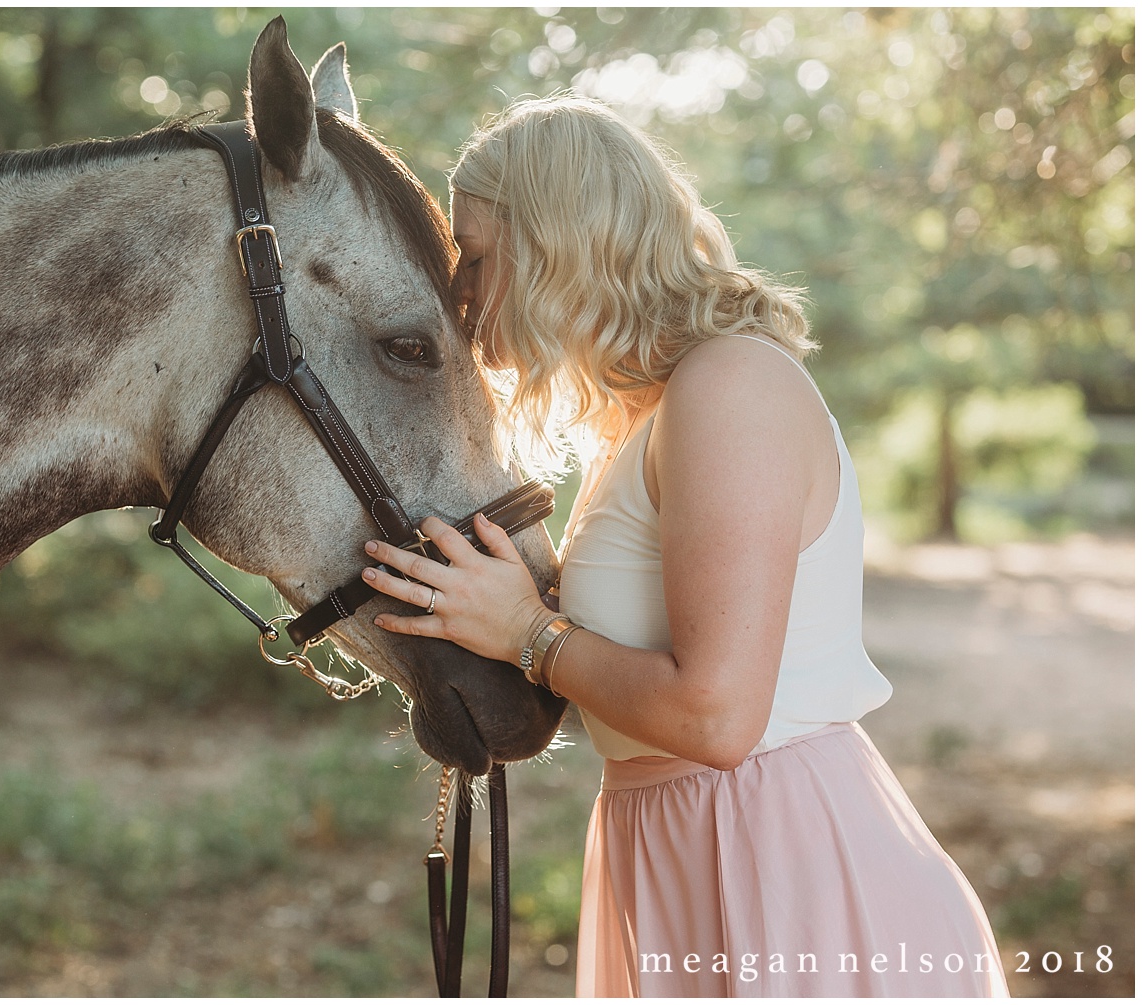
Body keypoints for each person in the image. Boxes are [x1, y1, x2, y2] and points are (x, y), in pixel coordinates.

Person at [357, 95, 1007, 997]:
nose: (460, 293)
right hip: (670, 847)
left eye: (476, 255)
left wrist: (527, 636)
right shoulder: (638, 422)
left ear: (559, 244)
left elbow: (715, 717)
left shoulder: (730, 384)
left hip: (781, 864)